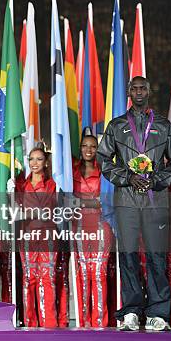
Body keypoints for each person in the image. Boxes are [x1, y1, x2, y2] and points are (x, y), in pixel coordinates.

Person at [97, 76, 171, 331]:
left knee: (157, 257)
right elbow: (104, 160)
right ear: (129, 93)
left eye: (142, 88)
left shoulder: (164, 126)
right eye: (134, 88)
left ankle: (158, 312)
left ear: (149, 91)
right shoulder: (117, 125)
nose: (138, 92)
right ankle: (132, 311)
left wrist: (156, 179)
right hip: (126, 201)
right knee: (128, 256)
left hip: (156, 201)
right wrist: (127, 177)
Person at [72, 128, 113, 327]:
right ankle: (84, 321)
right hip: (78, 227)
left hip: (101, 225)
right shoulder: (71, 172)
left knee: (98, 274)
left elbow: (107, 202)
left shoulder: (105, 171)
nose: (89, 150)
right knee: (83, 274)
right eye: (85, 146)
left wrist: (84, 203)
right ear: (80, 148)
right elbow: (66, 201)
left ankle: (100, 322)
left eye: (93, 146)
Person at [16, 145, 58, 328]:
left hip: (47, 235)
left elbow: (49, 210)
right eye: (31, 159)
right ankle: (29, 322)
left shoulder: (52, 184)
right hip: (27, 236)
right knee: (28, 278)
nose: (34, 163)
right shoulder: (21, 185)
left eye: (39, 159)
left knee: (47, 278)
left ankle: (49, 323)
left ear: (46, 162)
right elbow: (14, 213)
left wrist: (28, 212)